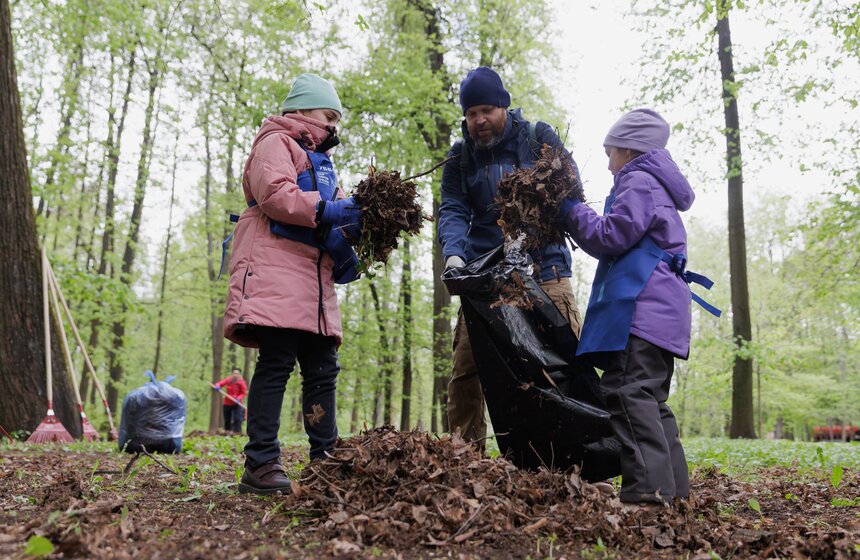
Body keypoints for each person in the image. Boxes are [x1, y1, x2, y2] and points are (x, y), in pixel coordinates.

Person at [558, 108, 715, 507]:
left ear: (629, 151)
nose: (609, 165)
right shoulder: (657, 186)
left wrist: (572, 211)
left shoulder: (639, 182)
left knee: (627, 392)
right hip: (664, 315)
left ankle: (646, 494)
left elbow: (612, 235)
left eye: (611, 153)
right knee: (650, 399)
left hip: (643, 312)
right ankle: (674, 491)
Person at [223, 73, 363, 495]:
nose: (334, 125)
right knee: (277, 363)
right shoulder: (276, 143)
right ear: (300, 111)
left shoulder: (323, 162)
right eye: (328, 115)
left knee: (323, 370)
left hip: (315, 285)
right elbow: (276, 195)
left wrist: (349, 236)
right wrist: (331, 210)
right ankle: (261, 462)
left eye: (337, 118)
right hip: (277, 275)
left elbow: (332, 212)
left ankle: (325, 461)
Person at [438, 66, 584, 445]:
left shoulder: (538, 138)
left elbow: (570, 187)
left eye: (486, 110)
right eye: (471, 114)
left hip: (546, 271)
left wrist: (531, 221)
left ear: (504, 106)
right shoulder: (460, 159)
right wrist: (454, 256)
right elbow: (453, 209)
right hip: (486, 280)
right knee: (467, 371)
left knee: (563, 366)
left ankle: (575, 458)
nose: (479, 120)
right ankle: (465, 460)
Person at [213, 368, 247, 433]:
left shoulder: (242, 382)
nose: (235, 375)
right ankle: (227, 432)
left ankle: (237, 433)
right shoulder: (229, 380)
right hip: (227, 402)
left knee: (237, 418)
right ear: (232, 374)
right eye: (234, 373)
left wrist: (239, 398)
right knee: (227, 418)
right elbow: (221, 383)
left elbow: (243, 393)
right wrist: (218, 385)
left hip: (237, 403)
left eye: (237, 373)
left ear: (239, 374)